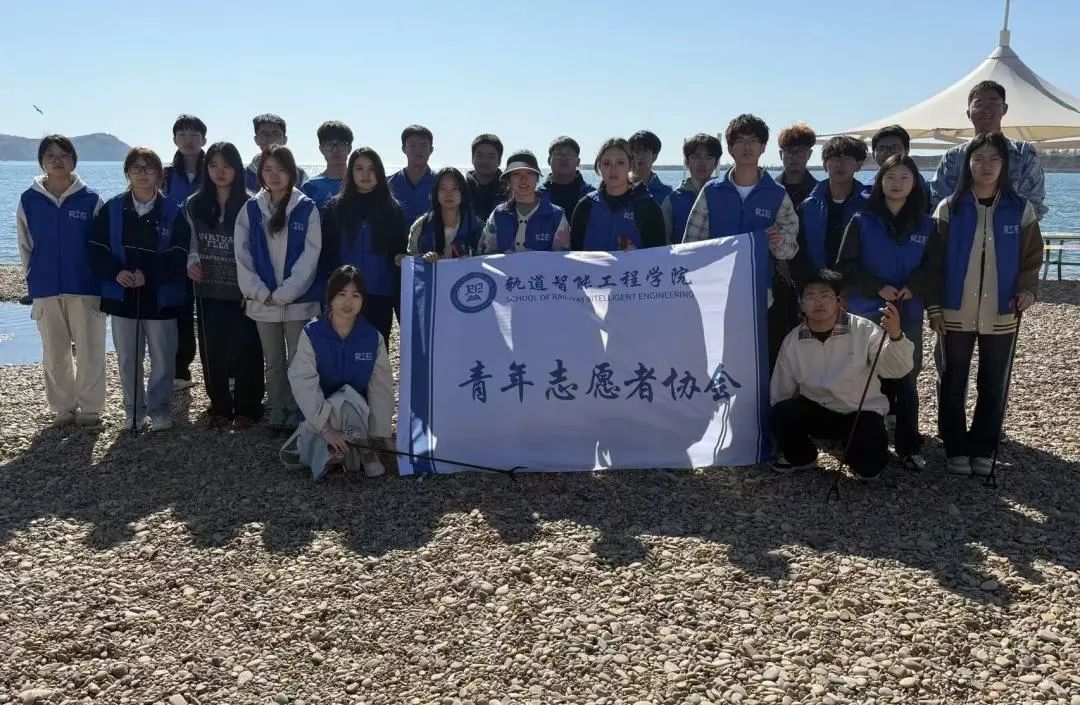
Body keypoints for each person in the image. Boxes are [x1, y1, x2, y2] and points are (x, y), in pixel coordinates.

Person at [926, 132, 1042, 476]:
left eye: (994, 159)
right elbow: (932, 262)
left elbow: (1032, 258)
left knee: (993, 383)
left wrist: (1027, 290)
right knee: (953, 380)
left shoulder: (1020, 208)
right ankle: (955, 448)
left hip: (1003, 311)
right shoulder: (949, 207)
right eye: (979, 159)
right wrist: (934, 306)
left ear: (1004, 165)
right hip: (954, 310)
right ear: (968, 164)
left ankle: (984, 447)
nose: (986, 166)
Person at [837, 154, 937, 471]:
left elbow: (934, 268)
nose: (897, 184)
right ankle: (861, 440)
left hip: (907, 312)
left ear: (915, 183)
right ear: (880, 182)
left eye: (904, 178)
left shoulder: (927, 225)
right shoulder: (861, 221)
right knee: (862, 375)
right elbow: (845, 267)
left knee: (905, 376)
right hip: (866, 311)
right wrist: (876, 287)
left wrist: (913, 287)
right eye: (890, 177)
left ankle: (908, 445)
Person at [682, 115, 799, 371]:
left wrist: (778, 242)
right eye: (740, 141)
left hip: (760, 295)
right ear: (730, 148)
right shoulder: (711, 191)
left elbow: (790, 250)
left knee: (754, 361)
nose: (747, 147)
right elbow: (690, 246)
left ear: (763, 147)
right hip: (715, 294)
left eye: (754, 141)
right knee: (715, 359)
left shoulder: (777, 194)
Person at [770, 273, 914, 479]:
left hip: (859, 411)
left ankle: (855, 451)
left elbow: (897, 369)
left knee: (869, 471)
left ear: (838, 300)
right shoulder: (793, 340)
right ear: (801, 304)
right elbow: (781, 389)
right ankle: (804, 457)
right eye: (810, 296)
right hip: (817, 407)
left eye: (825, 295)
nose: (818, 302)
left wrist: (895, 335)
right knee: (782, 412)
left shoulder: (864, 330)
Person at [88, 147, 188, 431]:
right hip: (122, 295)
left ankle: (159, 410)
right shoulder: (112, 208)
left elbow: (179, 254)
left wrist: (149, 275)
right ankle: (133, 411)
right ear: (127, 173)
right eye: (136, 168)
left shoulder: (174, 211)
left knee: (163, 357)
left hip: (161, 296)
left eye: (149, 168)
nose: (143, 174)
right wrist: (116, 272)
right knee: (128, 358)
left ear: (160, 174)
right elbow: (96, 248)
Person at [16, 135, 107, 428]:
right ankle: (63, 407)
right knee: (54, 353)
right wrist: (33, 279)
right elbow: (25, 245)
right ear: (42, 161)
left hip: (85, 287)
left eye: (64, 155)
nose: (58, 160)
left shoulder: (91, 199)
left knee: (90, 349)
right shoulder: (29, 200)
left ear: (73, 160)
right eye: (51, 155)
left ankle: (90, 407)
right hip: (46, 288)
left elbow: (103, 246)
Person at [177, 142, 265, 430]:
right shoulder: (194, 204)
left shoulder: (252, 204)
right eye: (213, 165)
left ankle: (249, 407)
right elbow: (190, 241)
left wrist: (254, 288)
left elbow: (259, 249)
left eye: (226, 165)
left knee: (248, 350)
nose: (220, 171)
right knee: (212, 350)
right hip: (209, 289)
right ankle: (220, 405)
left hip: (243, 291)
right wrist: (192, 262)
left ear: (237, 169)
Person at [234, 145, 322, 431]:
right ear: (260, 173)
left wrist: (286, 292)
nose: (274, 175)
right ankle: (277, 408)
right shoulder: (251, 208)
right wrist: (260, 291)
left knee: (299, 359)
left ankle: (297, 410)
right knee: (272, 361)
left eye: (281, 169)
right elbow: (242, 255)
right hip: (263, 302)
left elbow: (310, 257)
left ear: (292, 173)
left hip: (299, 303)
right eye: (268, 169)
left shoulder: (306, 207)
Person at [284, 266, 394, 481]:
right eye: (342, 294)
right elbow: (303, 383)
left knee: (349, 402)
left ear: (363, 300)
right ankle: (336, 451)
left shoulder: (372, 337)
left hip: (359, 413)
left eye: (355, 295)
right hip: (321, 413)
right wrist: (326, 429)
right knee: (325, 442)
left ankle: (365, 449)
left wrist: (381, 434)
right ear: (331, 296)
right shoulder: (312, 333)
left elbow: (381, 387)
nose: (348, 302)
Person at [322, 147, 407, 346]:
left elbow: (399, 250)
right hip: (344, 291)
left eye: (371, 169)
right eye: (359, 168)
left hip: (380, 291)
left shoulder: (392, 209)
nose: (365, 175)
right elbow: (327, 253)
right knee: (343, 344)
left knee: (378, 346)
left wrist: (400, 258)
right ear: (350, 172)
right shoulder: (336, 207)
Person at [929, 81, 1047, 219]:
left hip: (1011, 230)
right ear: (968, 113)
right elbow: (938, 204)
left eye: (993, 102)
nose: (986, 109)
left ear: (1004, 108)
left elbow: (1034, 205)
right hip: (962, 230)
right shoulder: (953, 157)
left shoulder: (1024, 152)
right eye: (978, 104)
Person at [163, 114, 208, 392]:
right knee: (179, 311)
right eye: (182, 134)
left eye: (194, 134)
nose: (188, 140)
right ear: (174, 139)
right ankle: (181, 369)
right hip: (174, 252)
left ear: (204, 139)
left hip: (208, 251)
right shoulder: (165, 175)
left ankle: (222, 368)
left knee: (210, 312)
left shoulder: (214, 169)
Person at [570, 138, 665, 251]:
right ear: (599, 166)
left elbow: (659, 255)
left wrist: (639, 255)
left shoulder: (647, 207)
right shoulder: (586, 206)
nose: (613, 169)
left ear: (630, 165)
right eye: (607, 163)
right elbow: (574, 254)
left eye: (620, 163)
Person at [794, 135, 868, 278]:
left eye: (847, 159)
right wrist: (809, 281)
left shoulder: (869, 204)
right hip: (818, 283)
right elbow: (798, 250)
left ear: (858, 165)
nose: (840, 164)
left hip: (858, 285)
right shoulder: (808, 206)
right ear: (824, 165)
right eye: (834, 158)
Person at [478, 151, 570, 254]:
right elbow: (485, 255)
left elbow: (561, 258)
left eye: (529, 173)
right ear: (509, 180)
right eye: (516, 174)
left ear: (537, 178)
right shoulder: (498, 214)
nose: (523, 179)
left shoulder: (556, 215)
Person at [410, 166, 485, 260]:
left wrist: (472, 259)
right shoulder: (421, 226)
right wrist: (423, 258)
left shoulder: (477, 227)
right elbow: (410, 260)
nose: (449, 194)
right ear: (436, 193)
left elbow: (488, 258)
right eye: (443, 188)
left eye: (455, 188)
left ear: (463, 192)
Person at [661, 133, 721, 244]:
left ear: (716, 163)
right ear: (687, 162)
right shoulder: (672, 201)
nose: (702, 163)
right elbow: (664, 243)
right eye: (696, 157)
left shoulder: (724, 196)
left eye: (708, 157)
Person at [864, 125, 931, 207]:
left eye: (895, 148)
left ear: (906, 151)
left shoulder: (923, 188)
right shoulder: (866, 189)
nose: (888, 153)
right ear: (873, 154)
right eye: (882, 149)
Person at [387, 124, 436, 227]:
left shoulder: (440, 183)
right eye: (412, 145)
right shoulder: (389, 184)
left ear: (431, 150)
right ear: (404, 149)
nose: (418, 150)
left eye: (423, 145)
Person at [244, 114, 308, 192]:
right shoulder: (243, 176)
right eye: (264, 134)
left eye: (275, 134)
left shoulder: (300, 176)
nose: (270, 138)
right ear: (256, 139)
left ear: (284, 140)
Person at [538, 136, 596, 221]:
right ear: (549, 160)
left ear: (578, 162)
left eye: (569, 154)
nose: (564, 158)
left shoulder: (593, 196)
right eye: (558, 154)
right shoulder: (537, 196)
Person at [301, 120, 353, 215]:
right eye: (329, 145)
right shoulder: (310, 187)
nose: (335, 150)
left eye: (341, 144)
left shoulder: (359, 183)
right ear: (321, 149)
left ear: (349, 148)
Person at [465, 133, 508, 221]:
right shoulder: (461, 188)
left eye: (491, 157)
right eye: (479, 156)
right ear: (472, 159)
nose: (484, 161)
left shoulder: (509, 190)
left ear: (499, 161)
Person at [776, 123, 818, 207]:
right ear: (781, 154)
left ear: (809, 154)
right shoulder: (769, 189)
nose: (794, 156)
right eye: (789, 151)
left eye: (801, 151)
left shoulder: (820, 192)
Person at [628, 130, 674, 205]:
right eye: (636, 151)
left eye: (645, 151)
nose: (640, 156)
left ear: (654, 156)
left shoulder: (666, 193)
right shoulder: (618, 187)